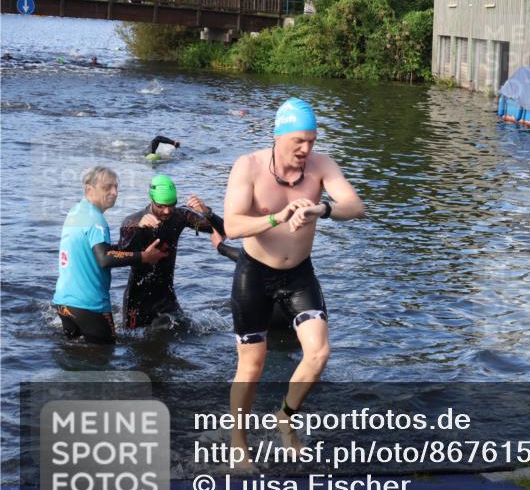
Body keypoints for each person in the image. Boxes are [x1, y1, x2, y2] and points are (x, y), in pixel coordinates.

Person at [223, 97, 364, 466]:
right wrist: (276, 218)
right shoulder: (249, 166)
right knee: (252, 365)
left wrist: (322, 208)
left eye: (312, 141)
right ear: (278, 136)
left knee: (319, 353)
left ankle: (285, 416)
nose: (306, 149)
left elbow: (356, 206)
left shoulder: (321, 166)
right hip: (255, 274)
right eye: (298, 141)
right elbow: (233, 226)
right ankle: (239, 444)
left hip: (299, 274)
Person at [53, 167, 167, 344]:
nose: (114, 192)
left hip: (64, 303)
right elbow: (105, 258)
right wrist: (143, 257)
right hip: (89, 306)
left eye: (116, 187)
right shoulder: (96, 220)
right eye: (107, 187)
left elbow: (104, 251)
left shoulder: (75, 212)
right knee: (105, 360)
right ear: (89, 189)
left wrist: (135, 231)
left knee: (74, 359)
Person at [117, 175, 226, 330]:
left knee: (180, 333)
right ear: (152, 200)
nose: (167, 211)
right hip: (137, 298)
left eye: (171, 205)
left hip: (166, 296)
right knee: (132, 342)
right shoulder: (133, 221)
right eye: (161, 206)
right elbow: (121, 254)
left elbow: (222, 230)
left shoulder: (180, 216)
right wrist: (138, 231)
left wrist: (207, 212)